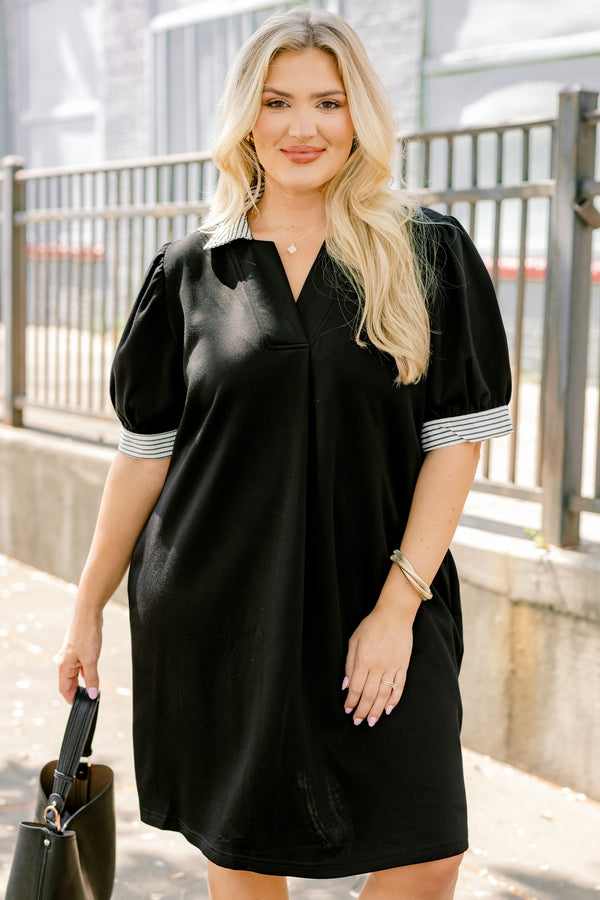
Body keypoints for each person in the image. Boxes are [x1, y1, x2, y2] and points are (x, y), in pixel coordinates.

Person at [57, 8, 512, 899]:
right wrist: (89, 606)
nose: (303, 127)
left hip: (382, 596)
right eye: (278, 102)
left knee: (426, 850)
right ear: (247, 120)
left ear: (359, 118)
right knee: (248, 853)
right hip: (223, 608)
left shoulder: (427, 252)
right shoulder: (191, 269)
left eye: (328, 102)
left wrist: (397, 607)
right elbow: (146, 455)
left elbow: (454, 447)